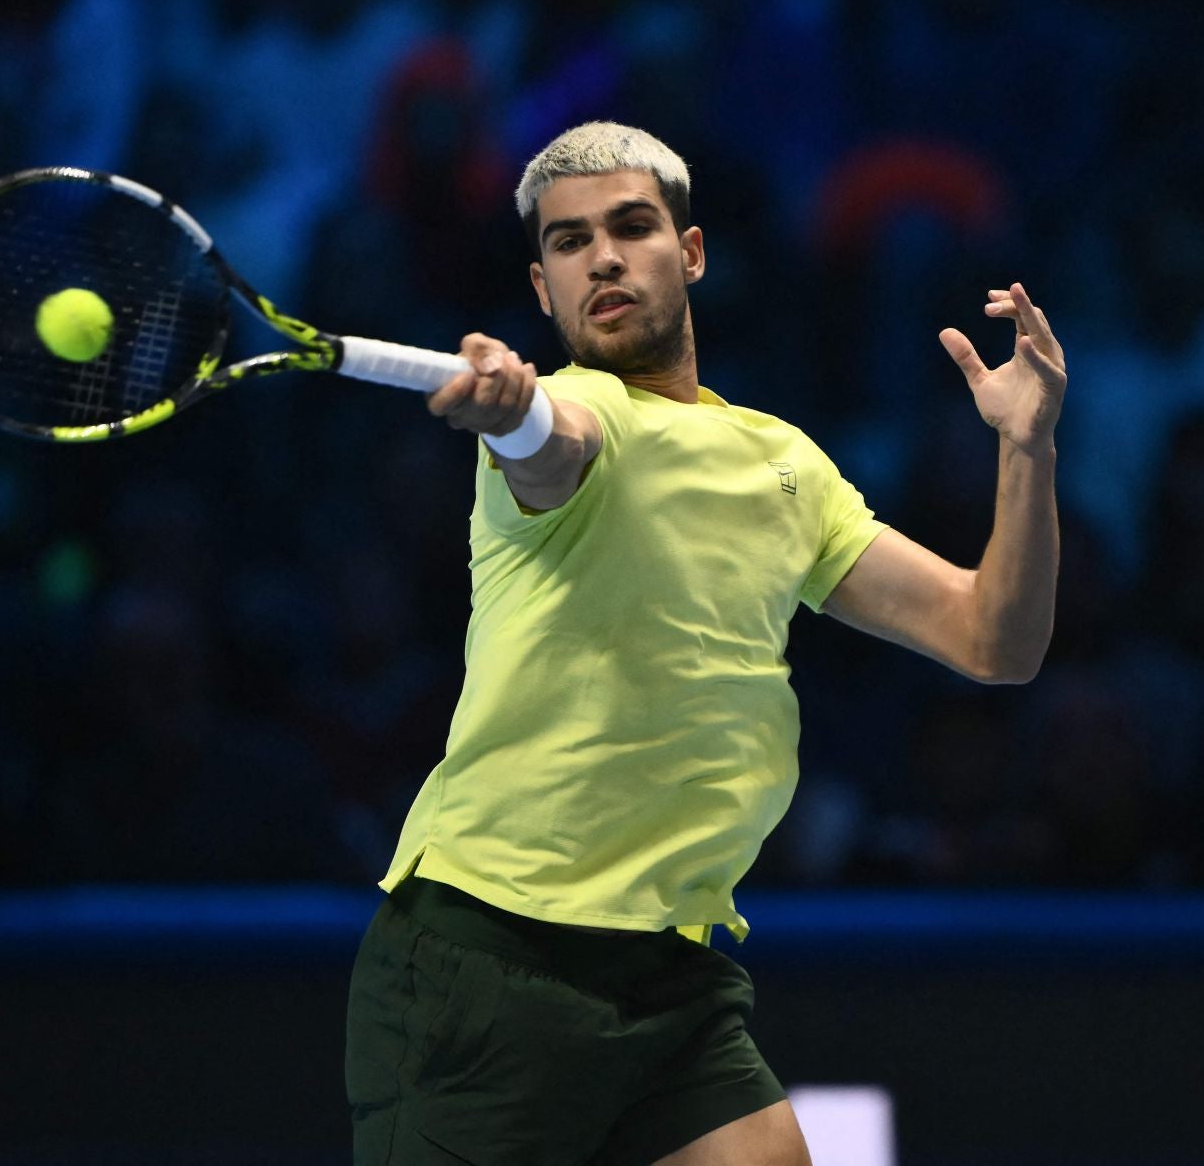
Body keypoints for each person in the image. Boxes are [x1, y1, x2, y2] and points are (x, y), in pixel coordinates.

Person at [345, 121, 1064, 1165]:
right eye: (567, 241)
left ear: (689, 253)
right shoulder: (576, 414)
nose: (601, 256)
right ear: (541, 289)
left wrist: (1027, 447)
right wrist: (509, 411)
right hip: (490, 961)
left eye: (631, 227)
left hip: (671, 970)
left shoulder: (785, 463)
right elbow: (553, 442)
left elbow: (995, 639)